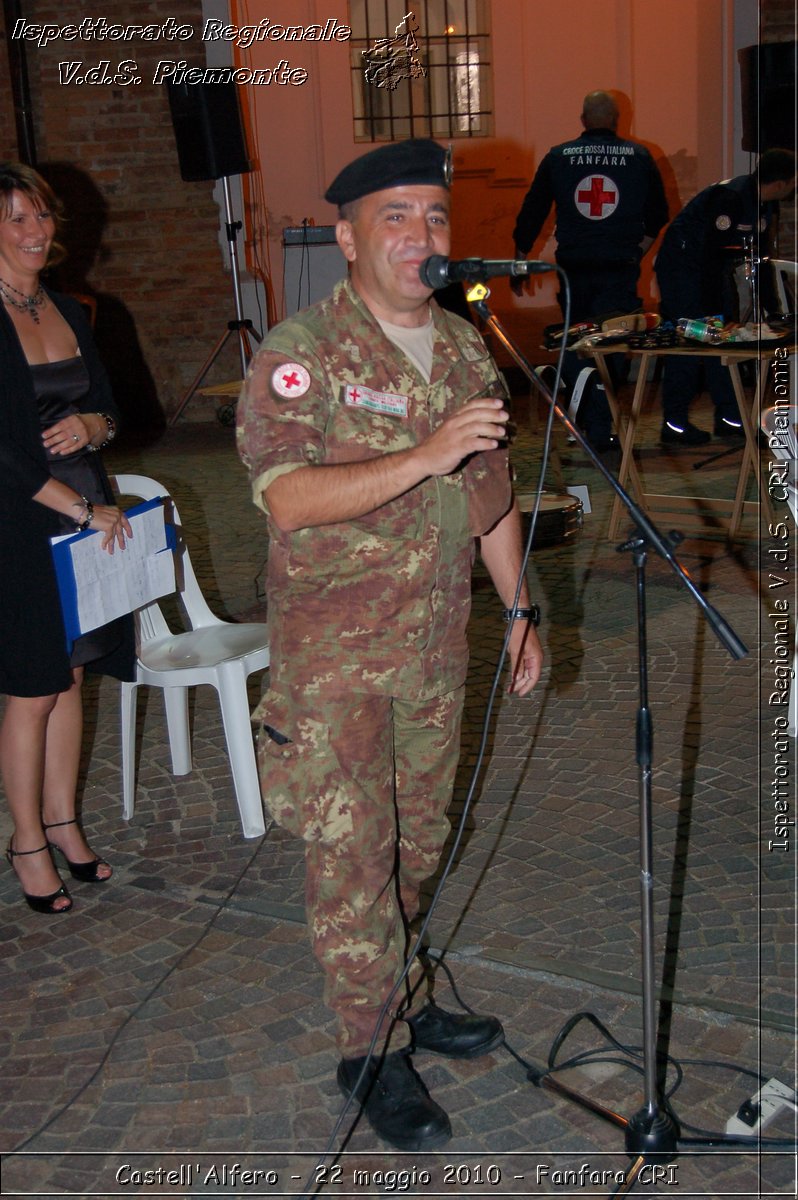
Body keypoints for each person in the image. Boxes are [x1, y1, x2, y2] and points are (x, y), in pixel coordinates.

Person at [237, 139, 543, 1151]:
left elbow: (489, 491)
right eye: (398, 218)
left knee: (414, 849)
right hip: (334, 668)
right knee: (353, 859)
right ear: (349, 236)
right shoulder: (302, 352)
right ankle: (370, 1050)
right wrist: (424, 452)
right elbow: (288, 500)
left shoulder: (462, 348)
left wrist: (523, 607)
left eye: (436, 219)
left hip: (433, 653)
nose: (423, 237)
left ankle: (401, 998)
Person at [0, 162, 133, 915]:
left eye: (41, 216)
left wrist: (93, 425)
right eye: (16, 217)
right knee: (33, 685)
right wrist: (77, 511)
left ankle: (63, 822)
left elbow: (114, 409)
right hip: (19, 519)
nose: (34, 231)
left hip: (86, 507)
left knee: (76, 674)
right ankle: (25, 842)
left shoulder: (70, 309)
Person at [512, 90, 669, 450]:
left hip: (575, 270)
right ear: (617, 121)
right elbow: (658, 214)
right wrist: (637, 253)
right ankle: (601, 425)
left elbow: (532, 212)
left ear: (582, 120)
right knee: (612, 341)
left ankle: (582, 420)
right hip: (618, 268)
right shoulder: (639, 156)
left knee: (576, 342)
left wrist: (520, 262)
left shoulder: (558, 157)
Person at [655, 147, 797, 446]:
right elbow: (709, 256)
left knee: (725, 338)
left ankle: (730, 418)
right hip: (683, 266)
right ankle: (674, 423)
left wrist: (773, 309)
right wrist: (717, 314)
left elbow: (761, 257)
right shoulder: (730, 199)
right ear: (782, 182)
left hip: (711, 269)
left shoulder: (764, 205)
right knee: (693, 337)